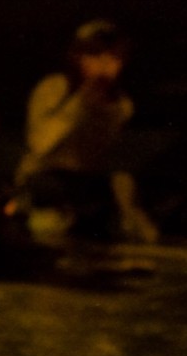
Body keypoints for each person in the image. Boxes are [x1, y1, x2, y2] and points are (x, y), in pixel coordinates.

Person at [21, 20, 158, 246]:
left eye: (113, 58)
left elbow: (112, 158)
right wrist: (79, 105)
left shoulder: (121, 105)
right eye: (95, 56)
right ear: (77, 58)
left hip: (88, 183)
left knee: (116, 192)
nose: (104, 66)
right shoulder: (54, 88)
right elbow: (38, 144)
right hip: (46, 176)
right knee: (50, 191)